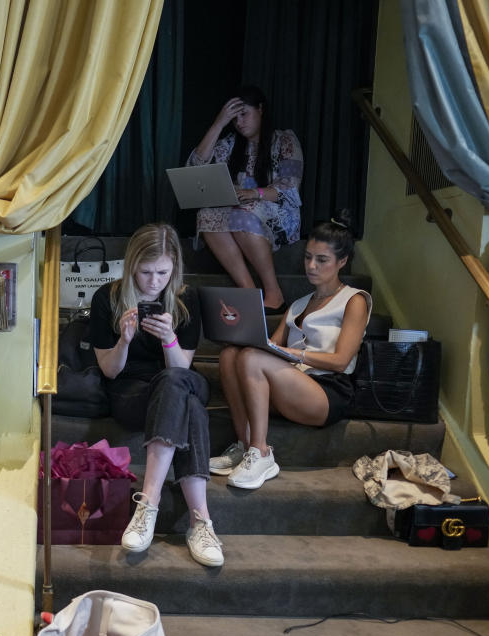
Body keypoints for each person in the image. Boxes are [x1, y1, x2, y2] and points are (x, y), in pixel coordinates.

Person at [89, 223, 222, 567]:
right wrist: (125, 340)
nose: (153, 281)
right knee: (190, 404)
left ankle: (147, 504)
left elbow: (182, 367)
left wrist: (169, 339)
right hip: (132, 393)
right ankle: (201, 522)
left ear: (174, 267)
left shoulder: (185, 299)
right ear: (132, 265)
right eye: (145, 272)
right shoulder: (108, 297)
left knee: (175, 382)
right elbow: (109, 370)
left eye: (162, 272)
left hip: (176, 382)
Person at [210, 215, 371, 489]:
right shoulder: (298, 304)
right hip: (291, 385)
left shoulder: (354, 300)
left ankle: (261, 453)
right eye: (308, 257)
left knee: (250, 357)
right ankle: (244, 444)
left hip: (327, 391)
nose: (311, 265)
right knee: (230, 355)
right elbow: (268, 348)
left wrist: (293, 354)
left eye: (322, 260)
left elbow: (341, 361)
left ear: (342, 262)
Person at [188, 85, 303, 311]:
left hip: (276, 209)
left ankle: (274, 293)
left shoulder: (284, 141)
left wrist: (255, 193)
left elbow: (290, 186)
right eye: (234, 118)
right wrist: (218, 124)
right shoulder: (232, 143)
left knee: (242, 214)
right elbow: (196, 166)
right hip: (239, 206)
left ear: (260, 109)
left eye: (244, 114)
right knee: (207, 216)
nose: (239, 122)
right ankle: (251, 295)